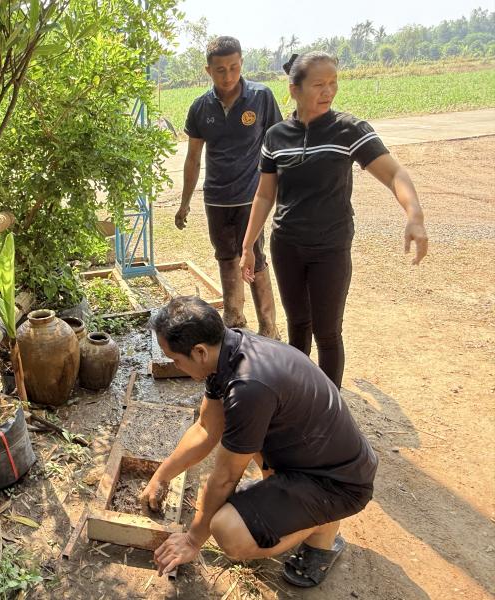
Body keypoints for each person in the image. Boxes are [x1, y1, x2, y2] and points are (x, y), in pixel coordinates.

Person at [140, 296, 378, 588]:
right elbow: (205, 429)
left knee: (228, 531)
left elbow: (225, 477)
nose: (175, 365)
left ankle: (322, 529)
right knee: (242, 443)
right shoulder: (226, 352)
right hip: (314, 457)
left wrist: (192, 540)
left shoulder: (249, 387)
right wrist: (161, 476)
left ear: (199, 351)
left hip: (340, 482)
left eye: (176, 359)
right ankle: (300, 511)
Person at [239, 52, 428, 388]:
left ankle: (329, 410)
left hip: (330, 245)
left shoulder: (348, 129)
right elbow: (265, 195)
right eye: (319, 85)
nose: (328, 92)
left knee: (327, 332)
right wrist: (249, 244)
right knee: (298, 326)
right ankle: (298, 399)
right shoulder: (276, 137)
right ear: (294, 89)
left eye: (333, 84)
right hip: (287, 245)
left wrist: (414, 214)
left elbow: (394, 172)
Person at [177, 36, 282, 338]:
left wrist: (283, 188)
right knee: (226, 257)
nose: (228, 76)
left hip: (252, 198)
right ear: (207, 70)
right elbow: (193, 158)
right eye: (220, 69)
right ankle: (234, 320)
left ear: (241, 64)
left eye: (234, 67)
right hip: (217, 199)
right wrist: (185, 202)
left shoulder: (262, 97)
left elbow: (277, 144)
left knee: (256, 257)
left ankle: (268, 329)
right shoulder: (200, 108)